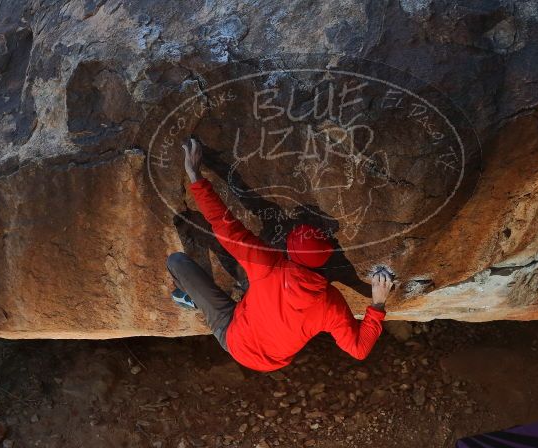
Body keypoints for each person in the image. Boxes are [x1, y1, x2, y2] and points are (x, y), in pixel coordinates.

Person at [167, 138, 394, 372]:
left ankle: (193, 298)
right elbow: (358, 349)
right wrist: (377, 303)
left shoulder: (269, 266)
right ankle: (231, 299)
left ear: (290, 252)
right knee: (253, 292)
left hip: (234, 337)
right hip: (271, 361)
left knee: (176, 261)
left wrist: (195, 176)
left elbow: (225, 226)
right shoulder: (329, 302)